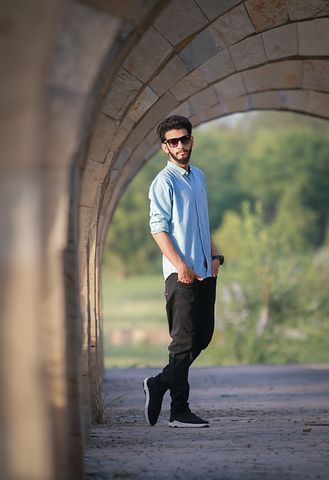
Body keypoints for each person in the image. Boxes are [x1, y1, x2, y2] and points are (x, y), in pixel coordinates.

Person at [143, 115, 224, 428]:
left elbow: (202, 222)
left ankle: (160, 382)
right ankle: (179, 410)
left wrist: (216, 256)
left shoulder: (198, 176)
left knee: (202, 337)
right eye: (173, 142)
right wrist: (181, 267)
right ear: (165, 147)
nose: (180, 146)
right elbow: (158, 229)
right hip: (182, 275)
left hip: (205, 271)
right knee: (182, 342)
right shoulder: (164, 182)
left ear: (192, 140)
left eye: (184, 139)